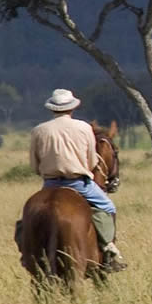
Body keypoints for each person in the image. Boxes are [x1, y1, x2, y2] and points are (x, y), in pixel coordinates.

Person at [29, 89, 127, 272]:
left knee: (26, 216)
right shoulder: (83, 128)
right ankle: (108, 252)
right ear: (72, 108)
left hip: (49, 183)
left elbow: (35, 164)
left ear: (52, 109)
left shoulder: (39, 130)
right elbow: (92, 160)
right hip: (78, 183)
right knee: (108, 208)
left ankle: (25, 251)